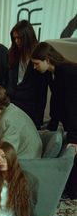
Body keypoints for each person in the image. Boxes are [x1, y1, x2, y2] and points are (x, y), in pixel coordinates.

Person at [31, 42, 77, 199]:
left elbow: (73, 106)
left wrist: (74, 138)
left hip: (75, 117)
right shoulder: (53, 73)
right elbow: (57, 101)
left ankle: (73, 194)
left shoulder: (67, 72)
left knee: (73, 153)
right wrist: (52, 125)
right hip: (69, 118)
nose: (35, 67)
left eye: (37, 63)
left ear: (47, 60)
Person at [7, 20, 51, 129]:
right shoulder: (12, 53)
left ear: (27, 37)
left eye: (19, 38)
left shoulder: (39, 55)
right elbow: (9, 78)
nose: (16, 41)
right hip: (12, 101)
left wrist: (38, 120)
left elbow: (42, 92)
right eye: (14, 38)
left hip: (30, 105)